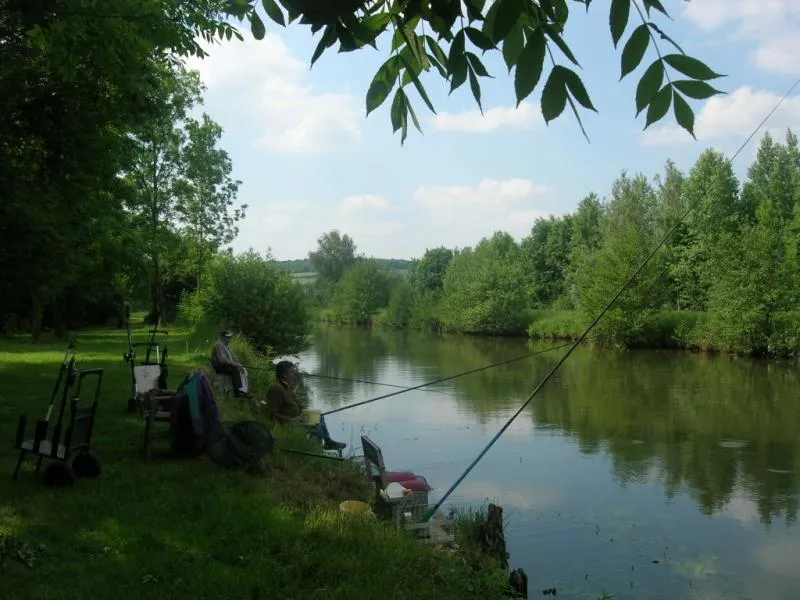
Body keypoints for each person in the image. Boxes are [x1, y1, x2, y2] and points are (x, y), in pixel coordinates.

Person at [266, 360, 346, 451]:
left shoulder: (286, 386)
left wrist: (307, 411)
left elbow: (298, 403)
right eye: (291, 372)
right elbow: (272, 413)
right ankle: (316, 449)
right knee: (317, 424)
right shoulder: (276, 389)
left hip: (299, 417)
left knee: (319, 415)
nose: (293, 375)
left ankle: (328, 442)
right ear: (284, 375)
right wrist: (291, 420)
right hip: (290, 421)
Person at [210, 331, 252, 399]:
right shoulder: (219, 345)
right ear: (222, 337)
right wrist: (234, 364)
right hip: (219, 366)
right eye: (227, 337)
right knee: (235, 369)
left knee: (243, 369)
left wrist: (239, 364)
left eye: (229, 337)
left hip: (226, 365)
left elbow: (234, 357)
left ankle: (244, 390)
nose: (229, 339)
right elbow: (222, 360)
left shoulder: (227, 346)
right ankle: (237, 392)